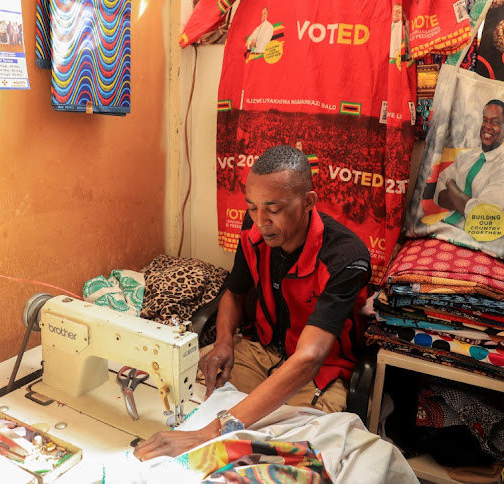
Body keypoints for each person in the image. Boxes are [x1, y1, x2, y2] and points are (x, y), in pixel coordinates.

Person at [134, 145, 372, 460]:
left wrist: (211, 433)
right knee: (177, 392)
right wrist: (223, 343)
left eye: (273, 209)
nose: (261, 221)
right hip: (260, 352)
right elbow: (234, 291)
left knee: (283, 453)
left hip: (317, 374)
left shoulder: (345, 257)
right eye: (252, 208)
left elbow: (310, 357)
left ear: (308, 202)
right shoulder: (255, 233)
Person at [434, 99, 504, 223]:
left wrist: (450, 184)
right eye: (485, 120)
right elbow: (438, 192)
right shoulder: (465, 156)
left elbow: (480, 213)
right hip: (448, 228)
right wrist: (464, 203)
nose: (487, 126)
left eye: (495, 122)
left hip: (479, 239)